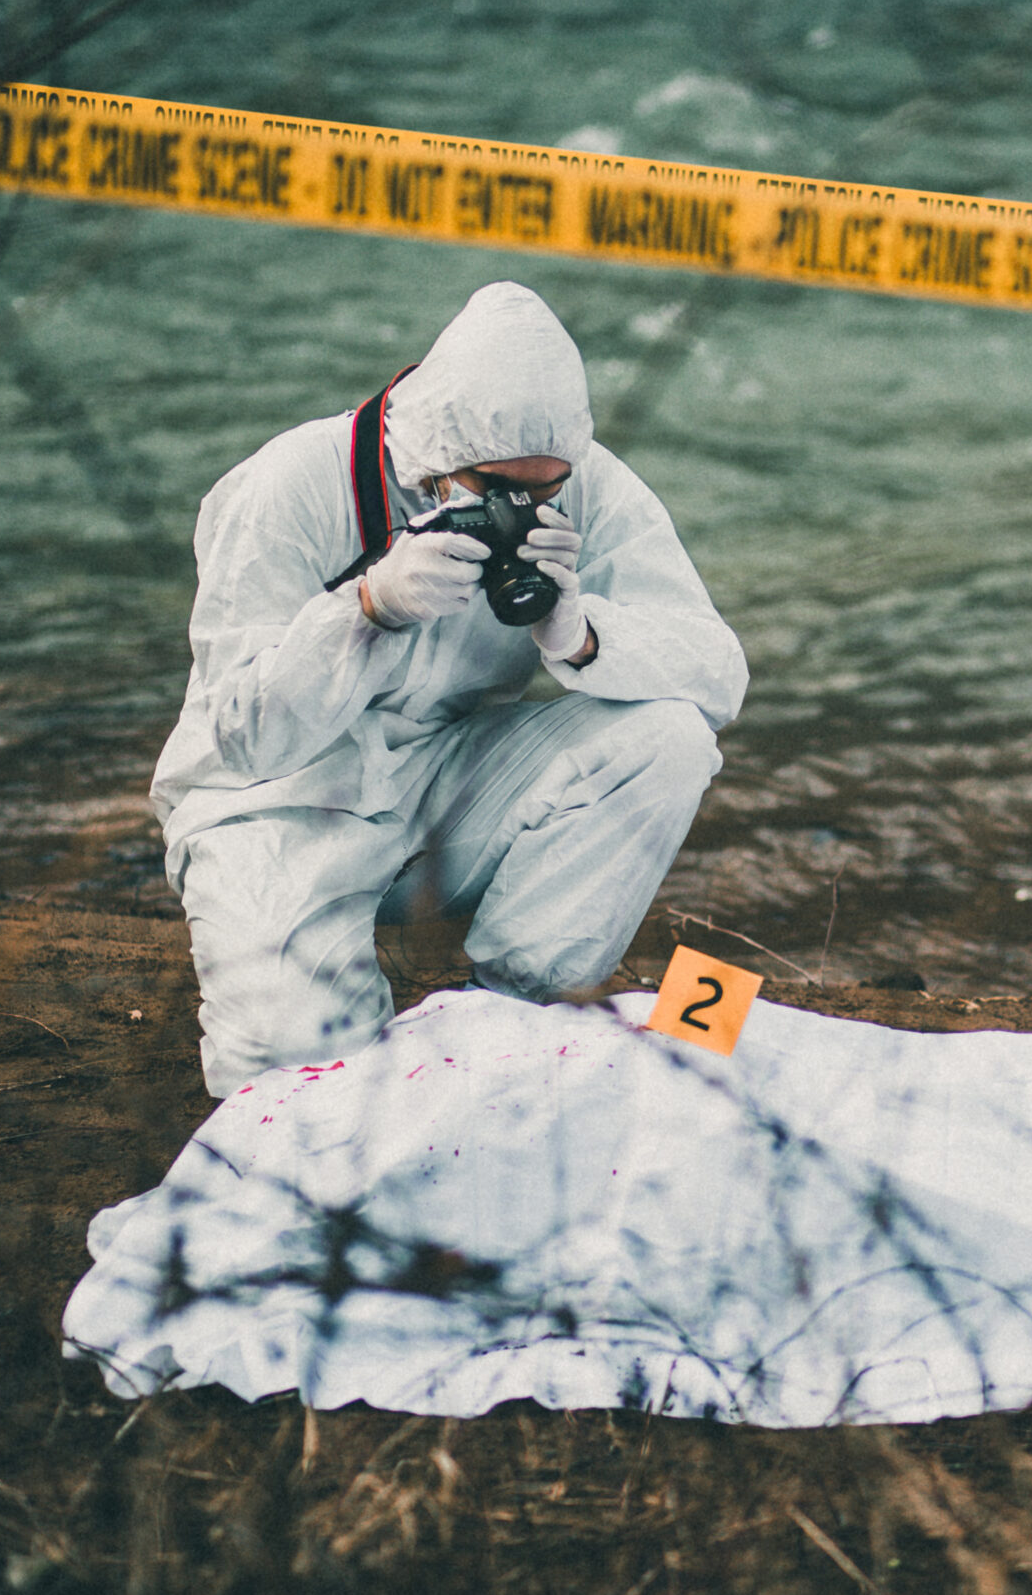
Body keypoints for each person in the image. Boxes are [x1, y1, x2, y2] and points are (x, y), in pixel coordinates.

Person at [151, 281, 746, 1097]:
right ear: (431, 457)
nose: (523, 508)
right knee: (300, 1085)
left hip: (443, 787)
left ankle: (517, 1005)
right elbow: (240, 737)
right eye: (499, 487)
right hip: (275, 804)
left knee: (671, 737)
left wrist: (585, 633)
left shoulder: (584, 483)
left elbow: (716, 672)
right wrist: (365, 608)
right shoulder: (290, 483)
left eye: (545, 491)